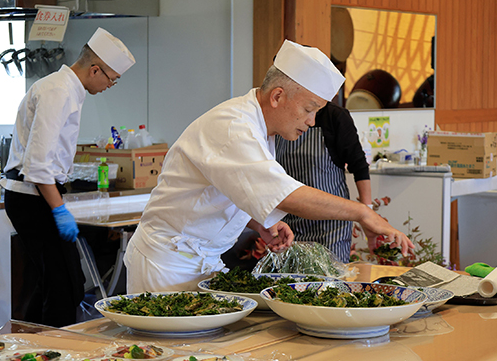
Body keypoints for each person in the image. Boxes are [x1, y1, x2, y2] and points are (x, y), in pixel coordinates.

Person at [124, 39, 414, 293]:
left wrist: (259, 223)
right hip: (167, 265)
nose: (311, 122)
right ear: (277, 96)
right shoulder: (234, 126)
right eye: (309, 109)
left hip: (202, 262)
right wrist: (363, 212)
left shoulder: (259, 128)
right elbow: (288, 195)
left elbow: (224, 190)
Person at [0, 27, 135, 327]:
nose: (111, 85)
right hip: (31, 197)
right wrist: (59, 209)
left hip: (37, 195)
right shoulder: (58, 91)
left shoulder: (68, 89)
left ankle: (29, 345)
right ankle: (54, 352)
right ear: (95, 68)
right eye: (112, 79)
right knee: (65, 288)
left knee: (54, 283)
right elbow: (37, 165)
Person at [275, 102, 373, 263]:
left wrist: (367, 214)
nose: (310, 121)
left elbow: (359, 165)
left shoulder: (334, 116)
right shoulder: (281, 115)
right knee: (288, 282)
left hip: (330, 226)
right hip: (286, 222)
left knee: (330, 282)